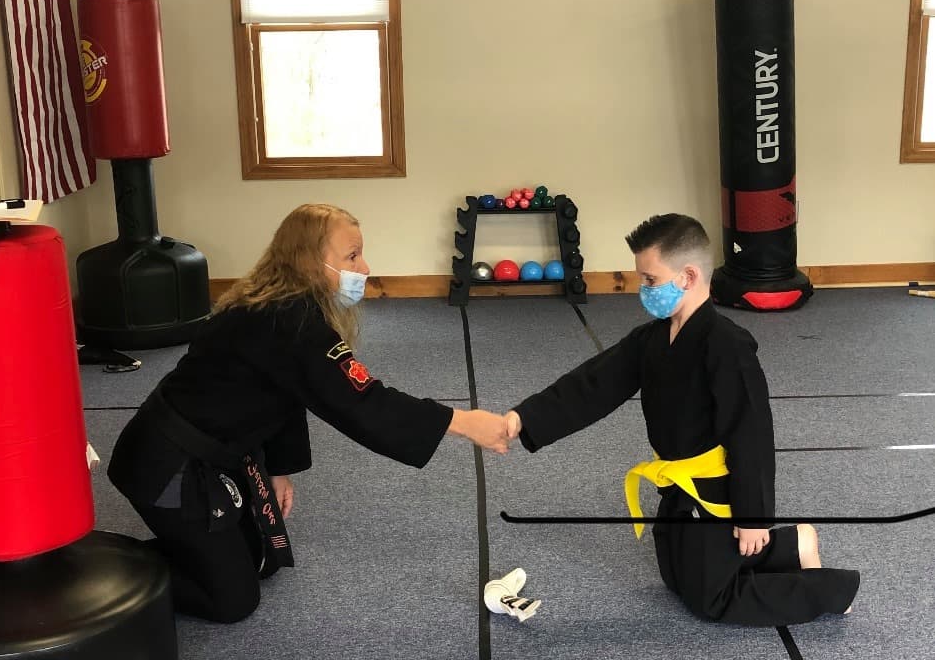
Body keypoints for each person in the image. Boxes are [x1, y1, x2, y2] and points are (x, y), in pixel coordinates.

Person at [108, 203, 510, 623]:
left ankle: (181, 551)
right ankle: (107, 568)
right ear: (308, 261)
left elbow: (286, 395)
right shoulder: (286, 320)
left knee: (258, 556)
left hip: (199, 454)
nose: (365, 267)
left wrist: (279, 469)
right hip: (166, 467)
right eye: (352, 256)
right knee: (232, 600)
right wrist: (461, 422)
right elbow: (363, 403)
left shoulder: (279, 306)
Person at [502, 213, 859, 626]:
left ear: (688, 276)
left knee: (713, 600)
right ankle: (793, 543)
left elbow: (752, 435)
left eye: (650, 280)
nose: (643, 290)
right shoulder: (652, 338)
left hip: (715, 490)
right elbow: (593, 384)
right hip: (677, 486)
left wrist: (753, 518)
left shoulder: (727, 346)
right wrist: (523, 419)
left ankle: (831, 591)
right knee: (675, 579)